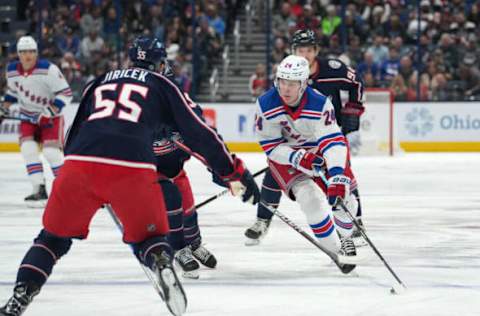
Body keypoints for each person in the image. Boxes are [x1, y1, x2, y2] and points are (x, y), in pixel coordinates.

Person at [0, 36, 260, 316]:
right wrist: (233, 170)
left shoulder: (100, 80)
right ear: (160, 64)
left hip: (80, 164)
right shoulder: (163, 85)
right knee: (151, 238)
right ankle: (160, 258)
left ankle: (20, 296)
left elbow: (73, 136)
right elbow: (200, 133)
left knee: (51, 240)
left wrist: (86, 184)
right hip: (133, 168)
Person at [245, 29, 365, 246]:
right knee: (276, 178)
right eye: (300, 50)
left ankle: (354, 223)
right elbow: (271, 144)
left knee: (343, 182)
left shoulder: (332, 72)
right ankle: (262, 219)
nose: (305, 54)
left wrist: (353, 111)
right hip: (292, 146)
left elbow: (356, 83)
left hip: (325, 136)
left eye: (309, 50)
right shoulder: (270, 99)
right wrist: (296, 156)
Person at [254, 55, 358, 273]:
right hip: (287, 155)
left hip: (319, 150)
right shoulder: (265, 104)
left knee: (345, 198)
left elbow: (332, 141)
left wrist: (337, 175)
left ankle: (346, 235)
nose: (286, 88)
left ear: (303, 84)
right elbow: (271, 146)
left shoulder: (320, 103)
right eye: (282, 81)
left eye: (292, 83)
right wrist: (297, 157)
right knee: (310, 200)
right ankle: (335, 251)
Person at [153, 60, 219, 279]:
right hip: (152, 172)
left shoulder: (180, 100)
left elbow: (201, 129)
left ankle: (193, 243)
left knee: (188, 208)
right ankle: (179, 248)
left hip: (175, 167)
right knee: (172, 207)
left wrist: (218, 165)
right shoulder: (140, 104)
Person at [0, 36, 72, 207]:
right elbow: (13, 92)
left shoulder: (49, 69)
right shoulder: (11, 70)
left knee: (51, 153)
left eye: (31, 51)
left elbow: (66, 93)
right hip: (28, 117)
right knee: (28, 149)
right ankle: (38, 188)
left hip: (50, 119)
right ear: (18, 54)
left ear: (36, 53)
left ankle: (68, 189)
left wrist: (50, 110)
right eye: (23, 52)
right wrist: (5, 107)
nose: (27, 55)